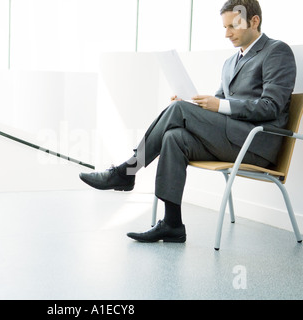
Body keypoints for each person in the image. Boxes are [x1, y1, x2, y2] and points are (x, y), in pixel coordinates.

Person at [79, 0, 296, 243]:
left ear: (254, 21)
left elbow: (271, 106)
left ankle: (126, 171)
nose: (227, 34)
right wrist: (194, 104)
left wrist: (212, 105)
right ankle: (172, 224)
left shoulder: (277, 51)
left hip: (256, 145)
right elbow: (219, 105)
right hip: (231, 138)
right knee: (174, 136)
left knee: (178, 110)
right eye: (224, 28)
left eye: (233, 27)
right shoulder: (230, 63)